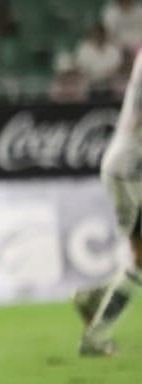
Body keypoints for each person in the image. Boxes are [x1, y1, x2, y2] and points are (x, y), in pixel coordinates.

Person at [75, 50, 142, 357]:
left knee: (139, 258)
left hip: (122, 161)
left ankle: (96, 298)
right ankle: (96, 337)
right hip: (134, 166)